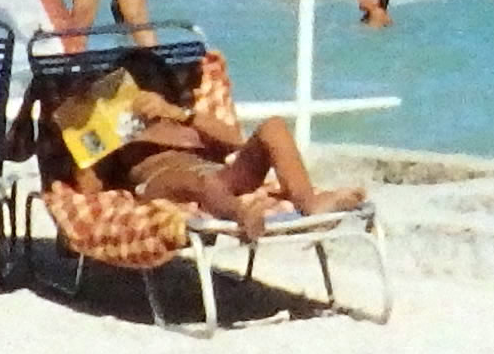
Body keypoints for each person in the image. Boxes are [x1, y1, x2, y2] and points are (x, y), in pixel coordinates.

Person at [91, 47, 365, 247]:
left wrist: (179, 113)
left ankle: (310, 203)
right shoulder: (114, 128)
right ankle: (241, 215)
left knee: (274, 127)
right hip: (159, 183)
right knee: (198, 181)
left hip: (218, 175)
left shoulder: (180, 117)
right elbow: (91, 185)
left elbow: (235, 141)